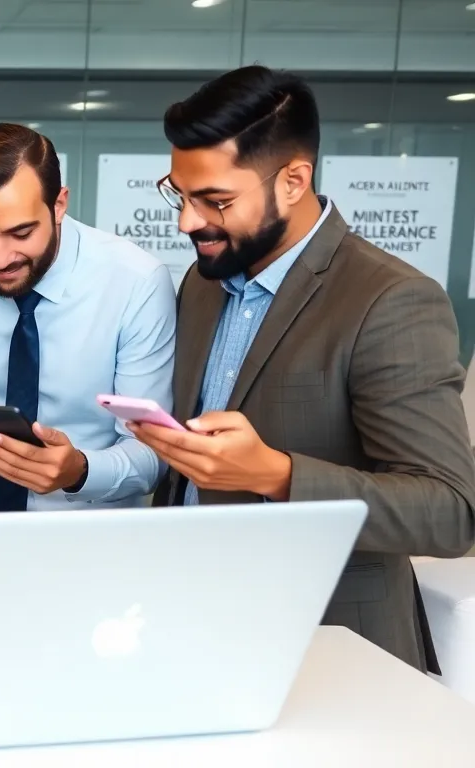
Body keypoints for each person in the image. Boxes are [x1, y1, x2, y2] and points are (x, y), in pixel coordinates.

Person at [128, 65, 475, 672]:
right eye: (178, 194)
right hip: (189, 630)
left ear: (293, 180)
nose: (187, 221)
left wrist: (277, 475)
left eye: (216, 201)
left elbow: (449, 512)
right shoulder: (205, 282)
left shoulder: (390, 299)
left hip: (330, 649)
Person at [0, 123, 177, 512]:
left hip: (95, 542)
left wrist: (79, 469)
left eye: (21, 232)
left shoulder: (136, 283)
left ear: (59, 204)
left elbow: (152, 455)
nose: (0, 258)